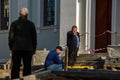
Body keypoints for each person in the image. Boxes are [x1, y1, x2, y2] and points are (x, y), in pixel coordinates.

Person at [8, 8, 37, 79]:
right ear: (27, 15)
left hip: (16, 48)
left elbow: (11, 37)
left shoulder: (14, 23)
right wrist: (34, 49)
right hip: (28, 49)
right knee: (27, 67)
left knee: (15, 67)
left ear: (19, 14)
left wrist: (10, 46)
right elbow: (34, 38)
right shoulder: (31, 24)